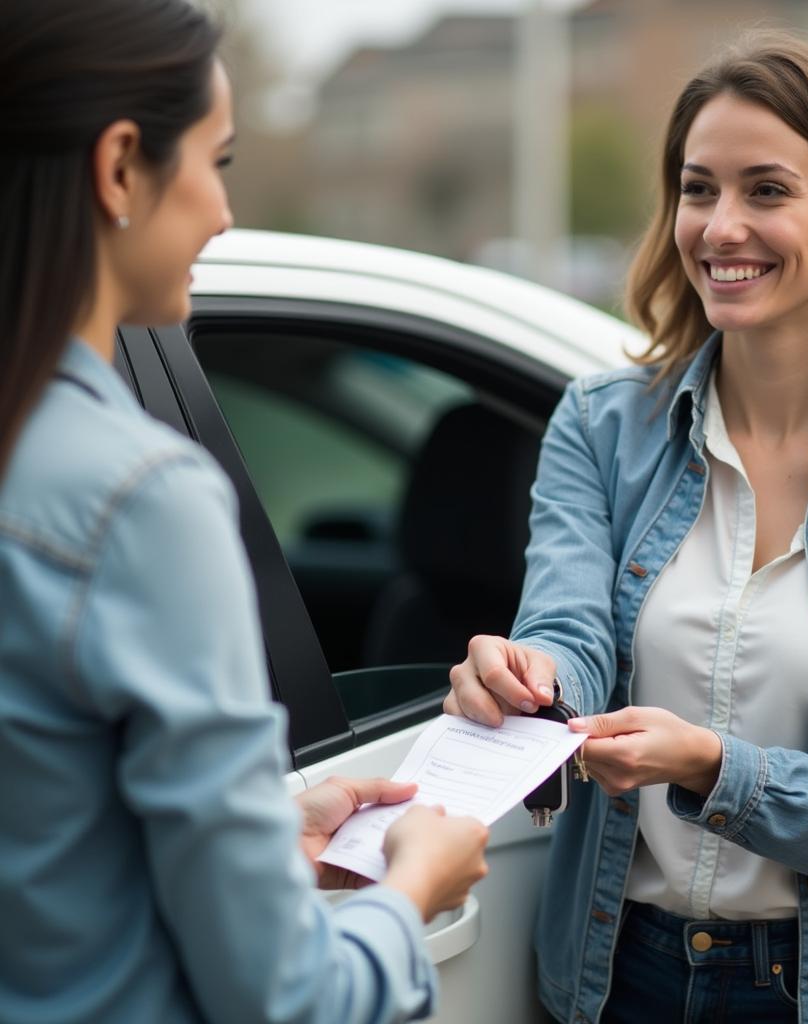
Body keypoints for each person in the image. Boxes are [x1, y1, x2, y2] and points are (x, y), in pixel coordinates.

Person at [445, 32, 808, 1024]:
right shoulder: (601, 424)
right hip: (617, 970)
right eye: (696, 187)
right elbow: (571, 630)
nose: (719, 226)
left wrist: (714, 766)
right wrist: (525, 678)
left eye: (765, 190)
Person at [0, 2, 488, 1023]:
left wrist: (269, 824)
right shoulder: (139, 501)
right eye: (215, 161)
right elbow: (282, 996)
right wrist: (412, 893)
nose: (223, 212)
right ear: (122, 164)